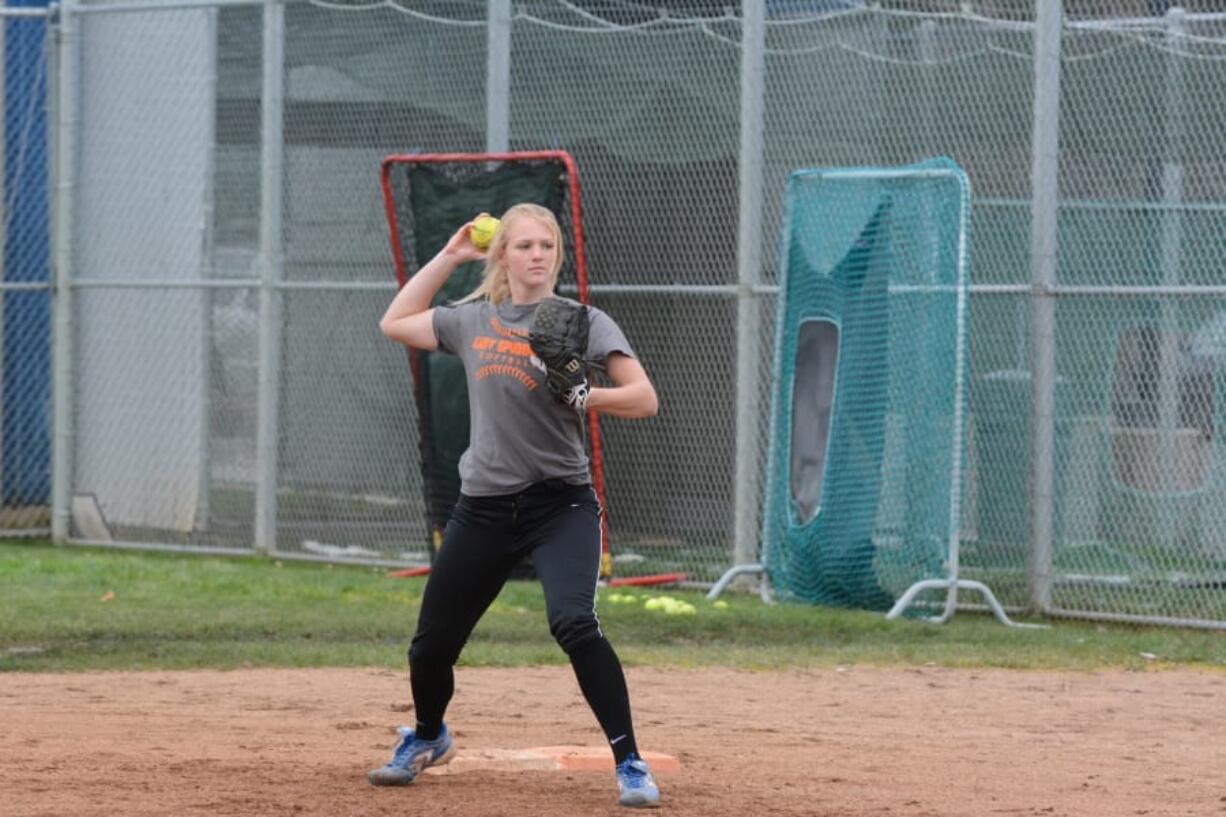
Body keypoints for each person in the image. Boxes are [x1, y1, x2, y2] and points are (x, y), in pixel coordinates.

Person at [370, 203, 662, 808]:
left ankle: (629, 761)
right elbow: (395, 321)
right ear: (502, 254)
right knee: (430, 647)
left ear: (556, 255)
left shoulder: (582, 321)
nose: (536, 255)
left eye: (546, 246)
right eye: (523, 245)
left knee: (575, 623)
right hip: (483, 507)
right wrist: (451, 256)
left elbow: (643, 398)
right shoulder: (473, 319)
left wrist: (587, 395)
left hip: (561, 506)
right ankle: (428, 736)